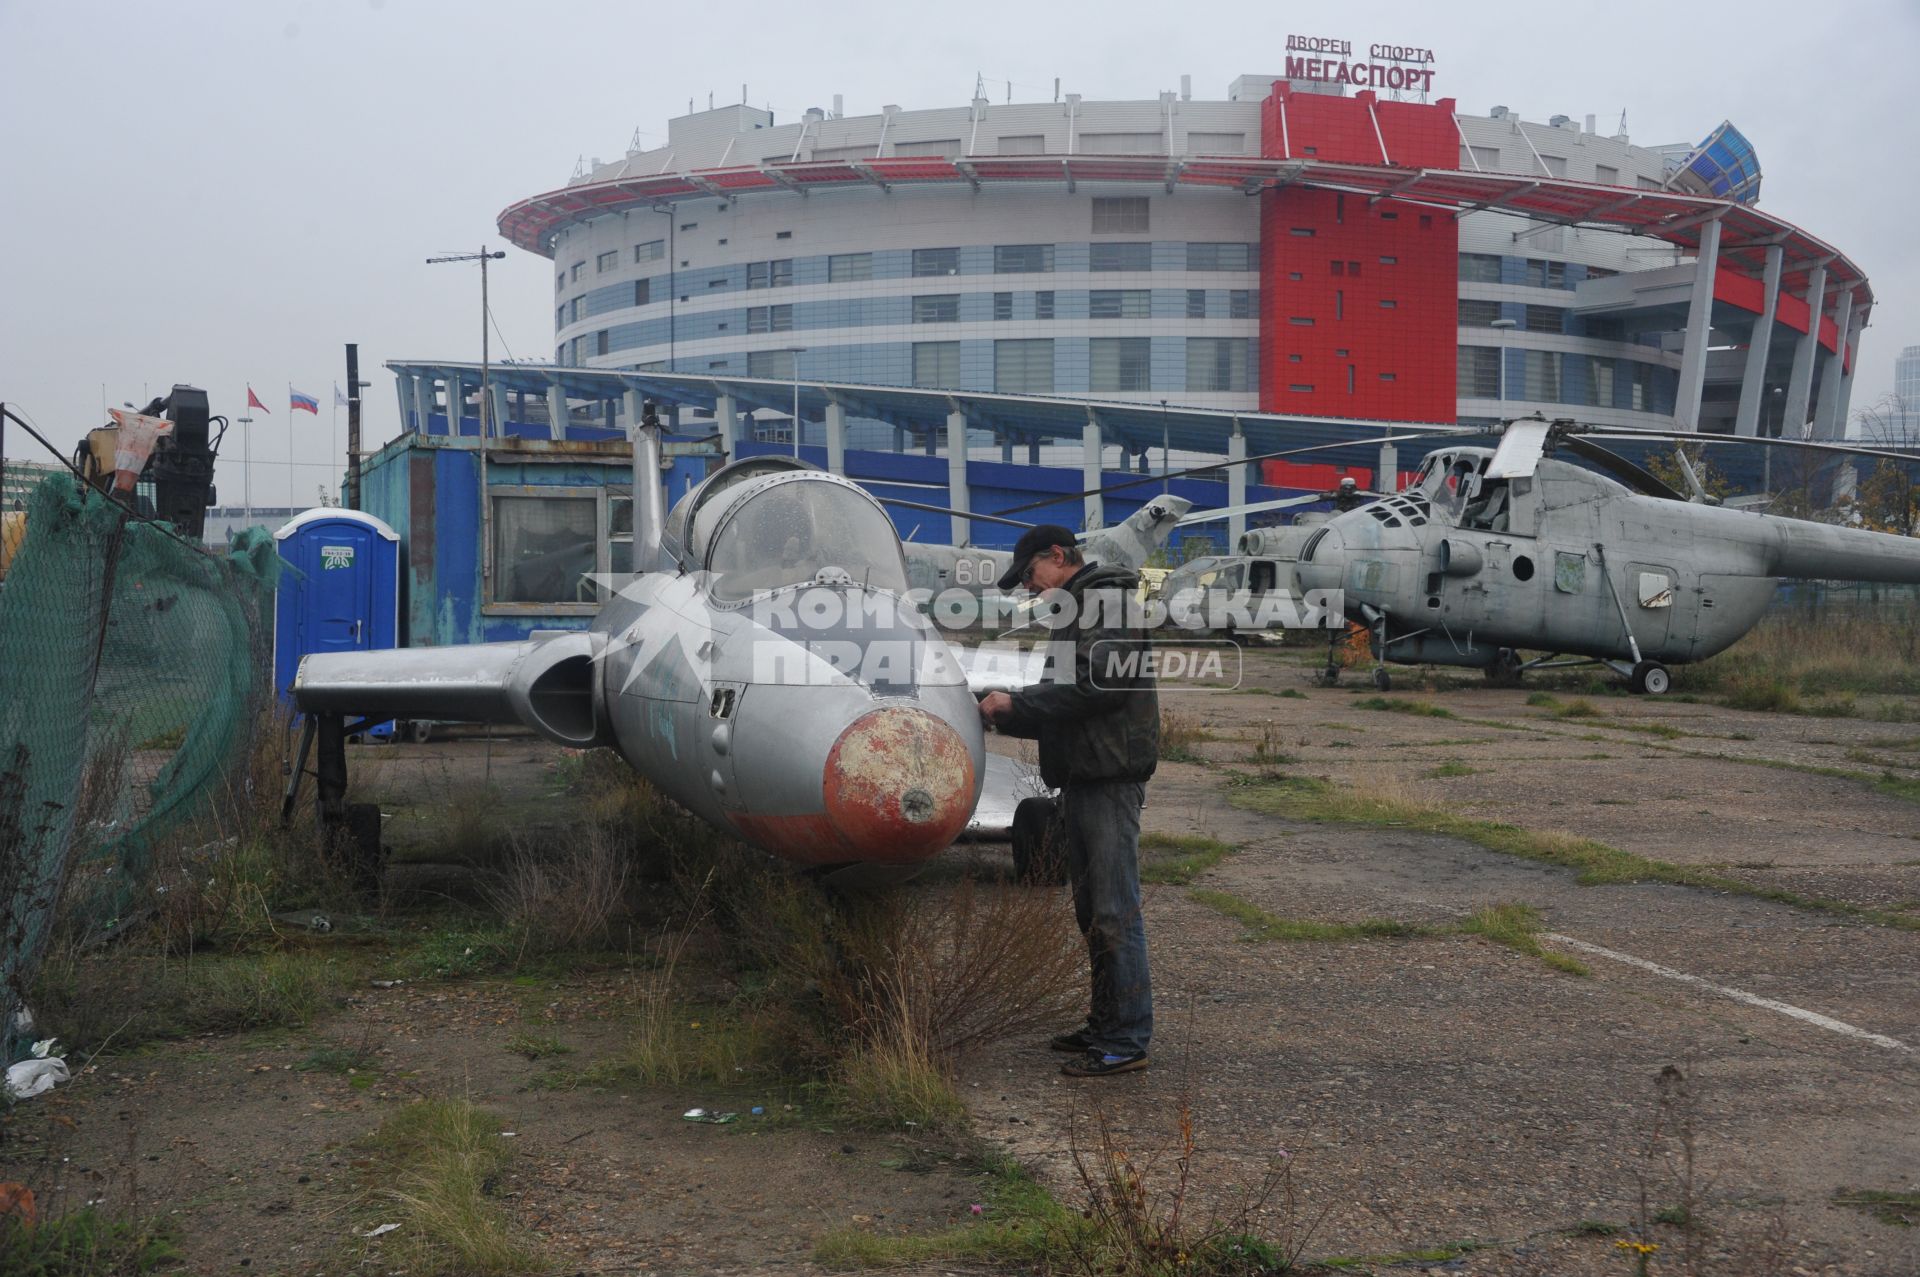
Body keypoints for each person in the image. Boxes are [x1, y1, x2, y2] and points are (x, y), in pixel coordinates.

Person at [977, 525, 1159, 1077]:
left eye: (1032, 576)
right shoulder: (1077, 607)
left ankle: (1125, 1039)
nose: (1031, 589)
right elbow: (1073, 696)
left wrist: (1017, 704)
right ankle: (1105, 1025)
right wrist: (1015, 712)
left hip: (1108, 778)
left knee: (1113, 911)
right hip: (1083, 776)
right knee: (1092, 912)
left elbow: (1099, 684)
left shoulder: (1107, 602)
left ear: (1057, 556)